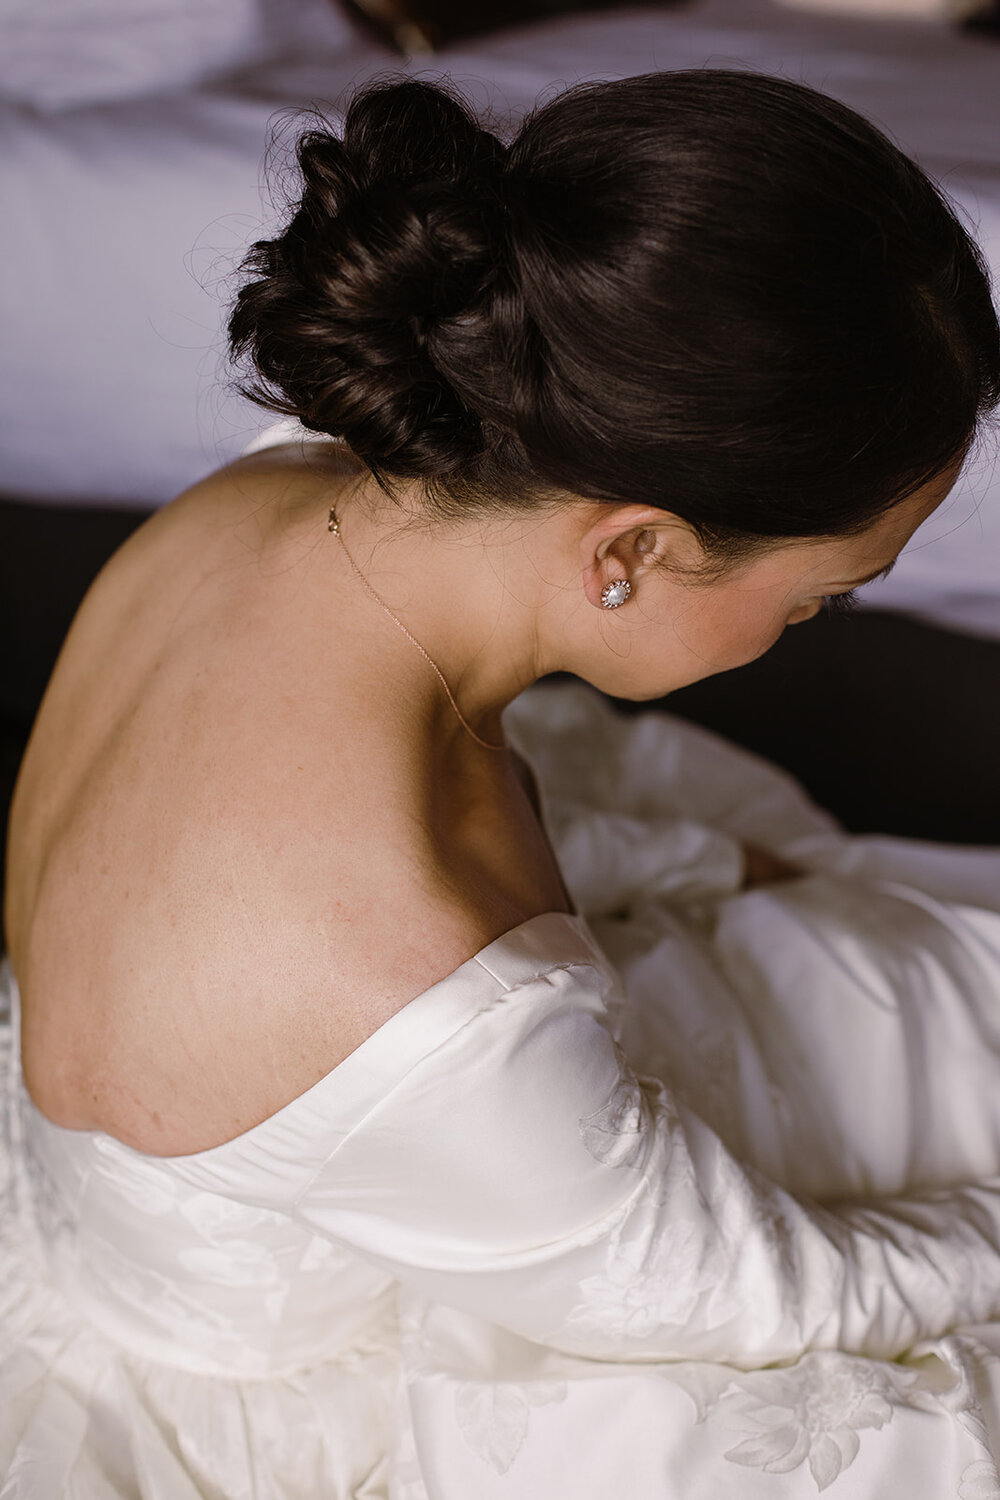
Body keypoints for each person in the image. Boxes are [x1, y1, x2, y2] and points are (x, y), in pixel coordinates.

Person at [3, 68, 1000, 1498]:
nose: (810, 630)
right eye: (821, 597)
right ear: (632, 549)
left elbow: (340, 815)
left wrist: (707, 867)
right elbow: (764, 1297)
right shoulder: (412, 996)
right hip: (297, 1342)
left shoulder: (287, 490)